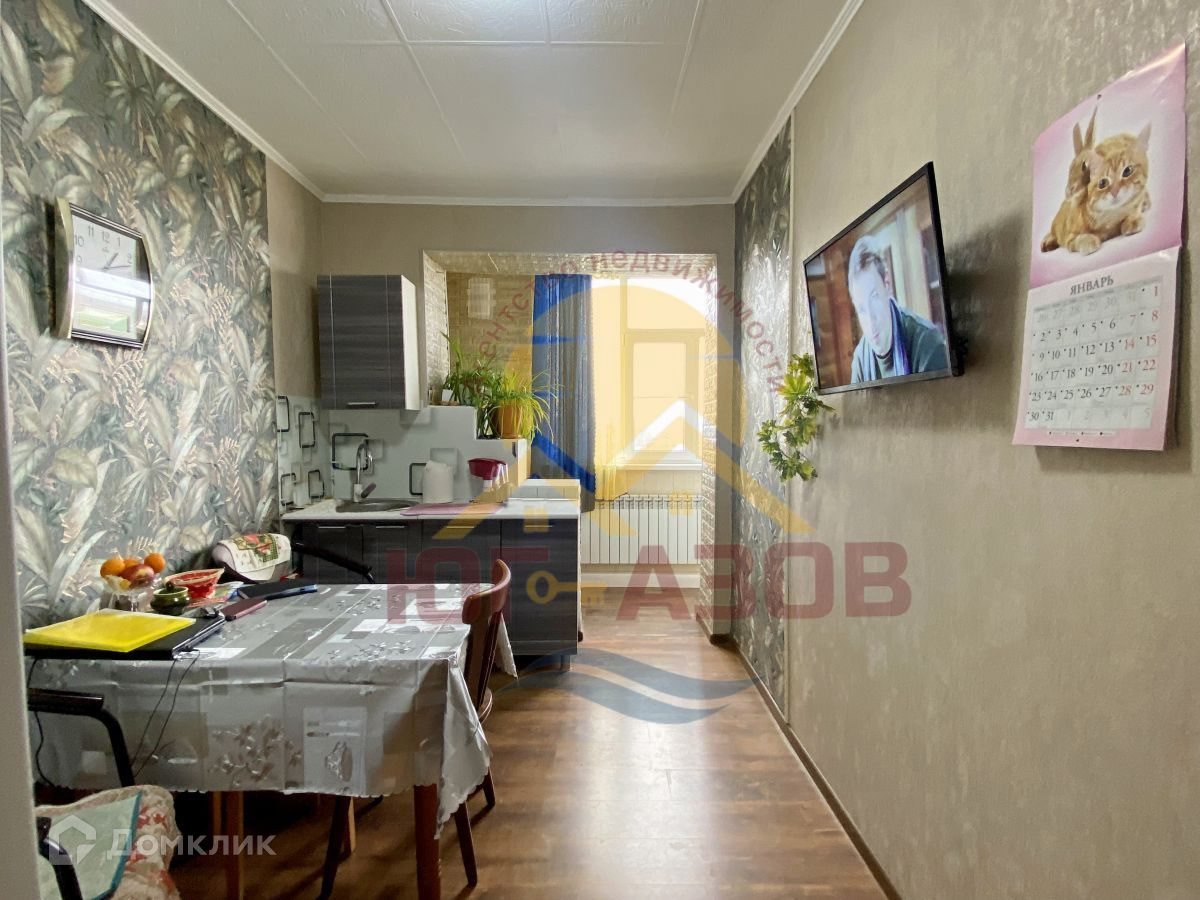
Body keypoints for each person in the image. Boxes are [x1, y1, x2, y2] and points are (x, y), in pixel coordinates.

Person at [846, 234, 948, 383]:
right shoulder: (860, 360)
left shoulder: (927, 343)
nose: (871, 321)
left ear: (887, 284)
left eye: (874, 298)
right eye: (861, 309)